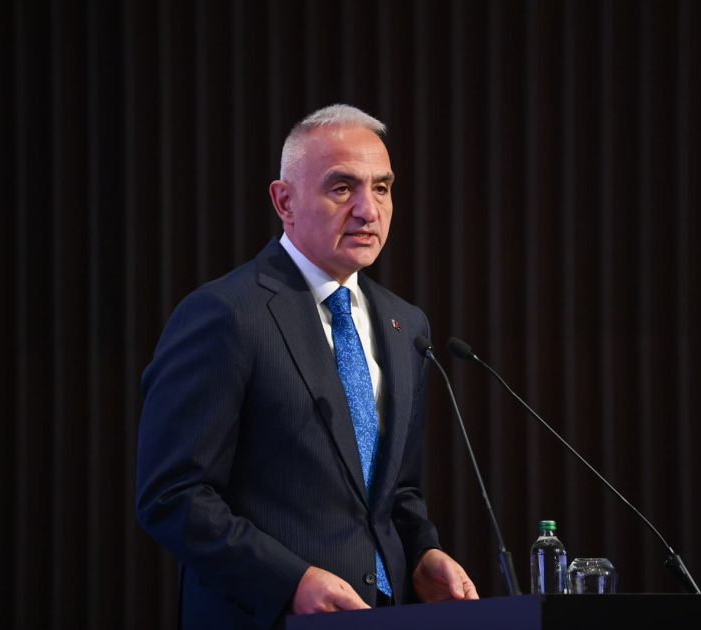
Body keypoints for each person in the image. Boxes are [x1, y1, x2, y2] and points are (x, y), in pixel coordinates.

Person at [136, 104, 478, 629]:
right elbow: (173, 496)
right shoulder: (227, 314)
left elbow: (396, 492)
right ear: (284, 201)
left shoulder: (405, 324)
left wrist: (422, 554)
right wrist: (288, 583)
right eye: (342, 188)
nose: (368, 210)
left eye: (382, 188)